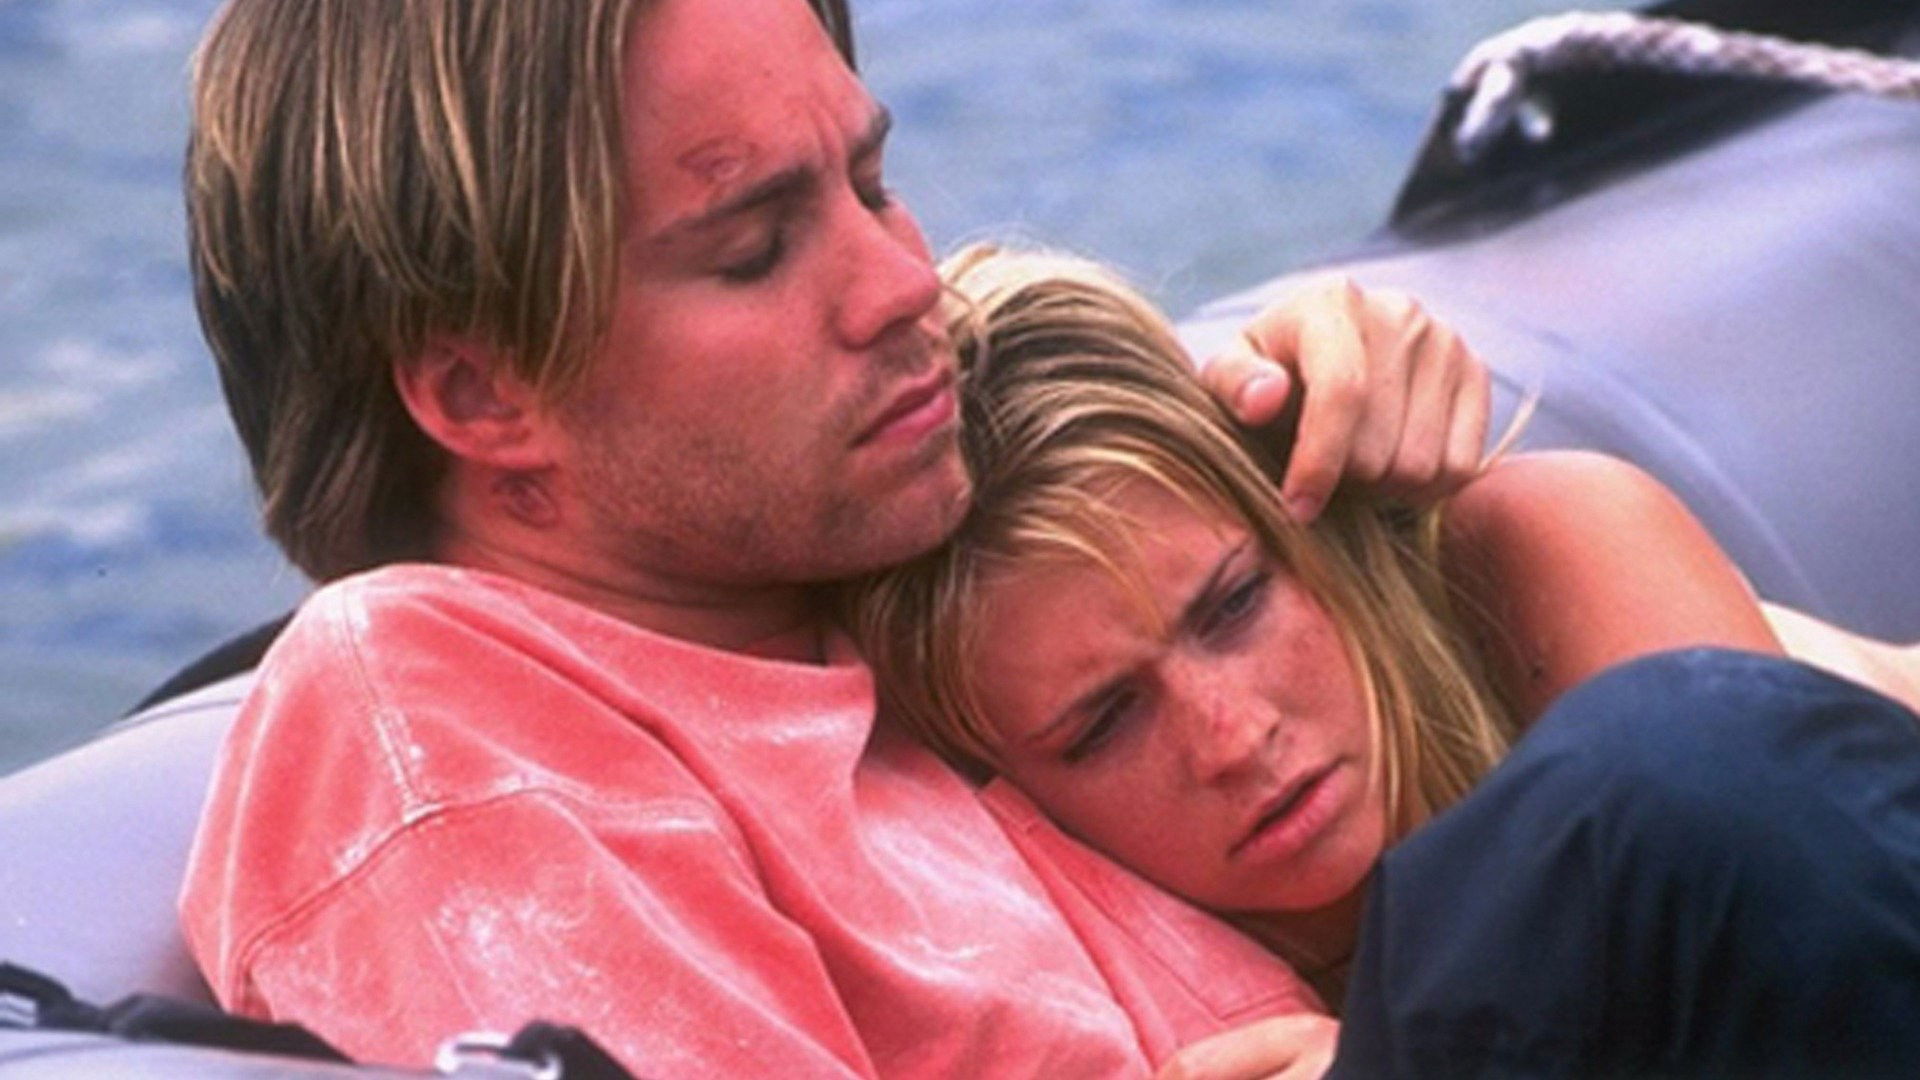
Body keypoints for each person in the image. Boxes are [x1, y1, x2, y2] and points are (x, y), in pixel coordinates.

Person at [176, 0, 1500, 1075]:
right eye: (755, 250)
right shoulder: (449, 738)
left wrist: (1346, 453)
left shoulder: (862, 602)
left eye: (872, 183)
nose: (902, 283)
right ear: (481, 397)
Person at [847, 244, 1920, 1078]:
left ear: (1303, 529)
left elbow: (1768, 926)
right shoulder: (1028, 939)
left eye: (1236, 605)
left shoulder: (1537, 556)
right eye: (1105, 722)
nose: (1234, 737)